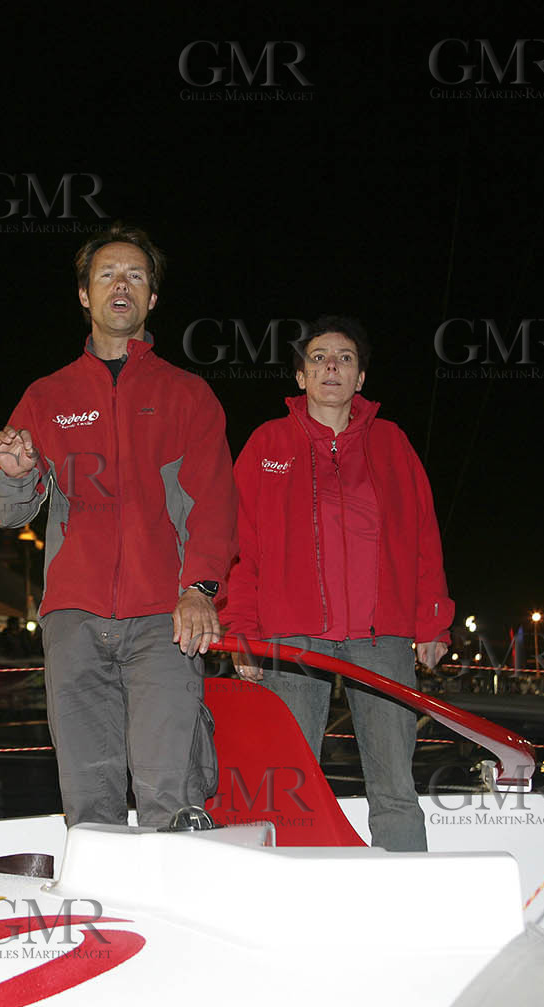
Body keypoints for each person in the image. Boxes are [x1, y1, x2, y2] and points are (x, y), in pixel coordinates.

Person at [0, 222, 237, 829]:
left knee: (170, 794)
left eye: (136, 276)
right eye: (106, 274)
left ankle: (173, 914)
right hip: (73, 618)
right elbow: (7, 509)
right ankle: (102, 920)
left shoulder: (189, 395)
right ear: (83, 295)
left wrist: (199, 588)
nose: (120, 285)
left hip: (165, 620)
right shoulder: (46, 395)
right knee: (89, 801)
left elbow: (216, 503)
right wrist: (14, 471)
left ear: (152, 300)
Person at [222, 315, 453, 852]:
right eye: (319, 357)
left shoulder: (393, 443)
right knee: (287, 782)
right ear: (301, 377)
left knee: (395, 783)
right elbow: (241, 544)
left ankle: (405, 897)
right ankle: (287, 896)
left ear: (361, 378)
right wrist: (241, 629)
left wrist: (434, 621)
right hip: (290, 635)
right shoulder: (266, 444)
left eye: (345, 358)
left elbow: (423, 536)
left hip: (383, 637)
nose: (332, 366)